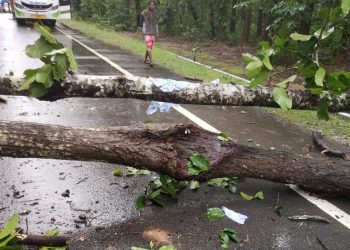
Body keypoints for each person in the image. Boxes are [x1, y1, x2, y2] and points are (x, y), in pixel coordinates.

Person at [140, 1, 158, 67]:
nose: (152, 6)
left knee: (149, 47)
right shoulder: (144, 12)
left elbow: (156, 23)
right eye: (150, 5)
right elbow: (141, 20)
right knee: (149, 45)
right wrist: (142, 29)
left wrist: (157, 33)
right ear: (148, 5)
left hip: (153, 32)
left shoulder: (155, 13)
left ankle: (145, 59)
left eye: (153, 5)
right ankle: (151, 60)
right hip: (146, 31)